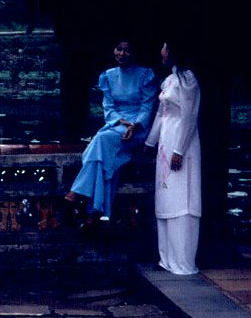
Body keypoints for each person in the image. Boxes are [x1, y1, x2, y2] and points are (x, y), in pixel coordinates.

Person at [65, 40, 156, 225]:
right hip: (116, 124)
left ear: (134, 53)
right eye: (119, 49)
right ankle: (94, 212)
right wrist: (120, 121)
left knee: (101, 140)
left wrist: (134, 125)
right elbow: (108, 106)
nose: (122, 54)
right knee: (104, 161)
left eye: (127, 50)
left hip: (138, 128)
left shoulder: (146, 75)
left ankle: (77, 192)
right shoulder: (108, 76)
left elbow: (147, 107)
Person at [145, 42, 201, 275]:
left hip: (181, 141)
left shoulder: (188, 81)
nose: (161, 51)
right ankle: (166, 258)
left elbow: (189, 117)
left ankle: (183, 261)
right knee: (166, 196)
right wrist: (150, 142)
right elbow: (161, 113)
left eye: (165, 48)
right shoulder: (168, 80)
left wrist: (179, 150)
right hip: (165, 141)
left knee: (181, 198)